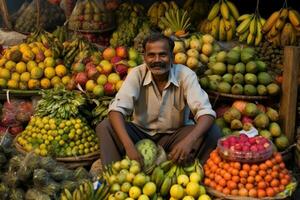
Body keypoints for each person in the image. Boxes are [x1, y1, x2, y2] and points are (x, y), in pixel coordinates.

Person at [96, 33, 221, 167]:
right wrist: (129, 146)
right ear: (144, 57)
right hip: (141, 133)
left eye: (163, 55)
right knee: (106, 127)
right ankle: (112, 176)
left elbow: (206, 113)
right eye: (151, 55)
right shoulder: (137, 74)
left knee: (212, 131)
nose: (157, 60)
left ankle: (195, 171)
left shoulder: (185, 75)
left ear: (172, 57)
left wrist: (189, 141)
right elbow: (116, 109)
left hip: (175, 136)